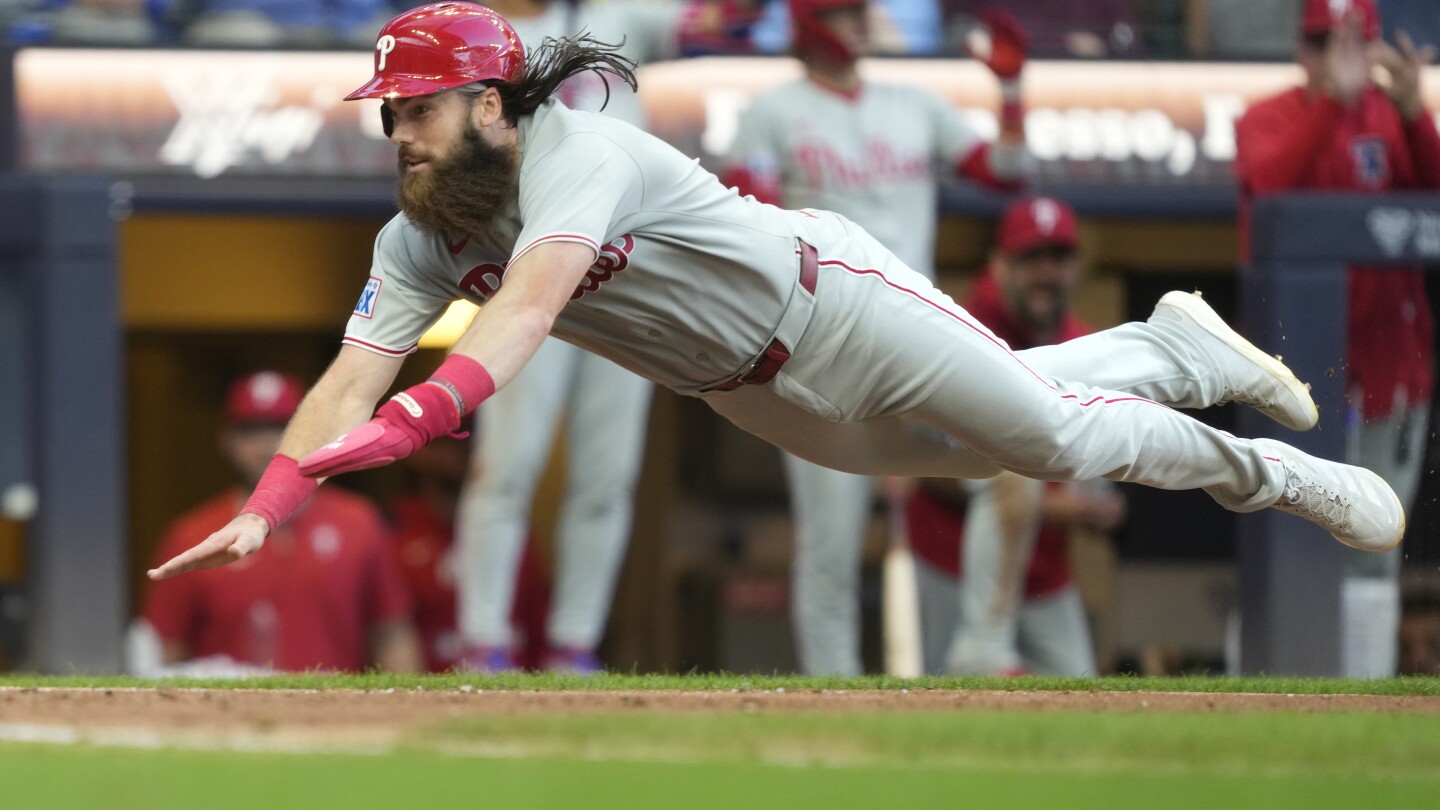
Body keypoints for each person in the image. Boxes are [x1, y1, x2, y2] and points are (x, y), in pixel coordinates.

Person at [147, 3, 1405, 672]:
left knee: (1041, 439)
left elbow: (521, 318)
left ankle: (1278, 475)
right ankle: (1169, 343)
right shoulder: (417, 233)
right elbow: (349, 371)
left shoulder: (578, 150)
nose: (399, 137)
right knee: (990, 447)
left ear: (487, 103)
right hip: (748, 392)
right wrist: (278, 490)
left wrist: (408, 427)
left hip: (833, 302)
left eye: (415, 111)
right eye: (388, 118)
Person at [720, 0, 1028, 675]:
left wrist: (1009, 92)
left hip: (917, 328)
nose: (863, 22)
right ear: (812, 23)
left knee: (1004, 468)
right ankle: (832, 690)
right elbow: (753, 222)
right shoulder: (771, 111)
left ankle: (983, 643)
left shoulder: (914, 104)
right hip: (821, 340)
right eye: (847, 11)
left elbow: (1006, 172)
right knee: (830, 536)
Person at [450, 0, 756, 674]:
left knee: (607, 476)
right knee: (508, 464)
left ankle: (573, 643)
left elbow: (727, 18)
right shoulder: (481, 30)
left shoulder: (622, 13)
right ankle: (484, 640)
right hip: (530, 270)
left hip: (623, 279)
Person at [1234, 0, 1439, 678]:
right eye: (1327, 42)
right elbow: (1271, 187)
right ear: (1302, 49)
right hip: (1294, 378)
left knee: (1373, 538)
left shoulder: (1393, 119)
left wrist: (1415, 115)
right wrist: (1330, 106)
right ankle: (1272, 691)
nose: (1340, 58)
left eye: (1356, 43)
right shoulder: (1268, 117)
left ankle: (1361, 698)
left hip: (1388, 373)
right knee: (1288, 536)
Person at [905, 196, 1123, 676]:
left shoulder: (1082, 344)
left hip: (1044, 572)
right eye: (1032, 259)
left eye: (1059, 258)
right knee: (948, 703)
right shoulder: (961, 330)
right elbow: (922, 467)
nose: (1047, 273)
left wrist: (1102, 502)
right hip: (953, 556)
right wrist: (1059, 507)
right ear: (999, 265)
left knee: (1078, 695)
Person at [135, 371, 423, 675]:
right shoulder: (192, 534)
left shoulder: (358, 521)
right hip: (227, 715)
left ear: (315, 434)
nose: (265, 446)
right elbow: (166, 652)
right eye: (250, 431)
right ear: (226, 440)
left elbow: (391, 634)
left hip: (333, 714)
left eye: (282, 429)